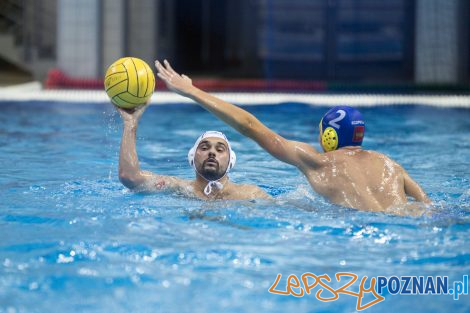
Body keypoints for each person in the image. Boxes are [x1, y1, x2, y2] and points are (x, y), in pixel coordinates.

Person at [155, 59, 432, 214]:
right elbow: (428, 206)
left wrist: (193, 92)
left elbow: (251, 125)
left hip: (358, 231)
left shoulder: (320, 162)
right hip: (406, 221)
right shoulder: (391, 165)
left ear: (330, 138)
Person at [115, 103, 269, 200]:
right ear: (192, 158)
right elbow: (130, 177)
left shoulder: (250, 194)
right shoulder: (178, 188)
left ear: (231, 161)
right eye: (204, 147)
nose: (212, 152)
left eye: (220, 149)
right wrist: (130, 124)